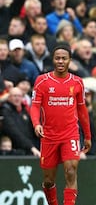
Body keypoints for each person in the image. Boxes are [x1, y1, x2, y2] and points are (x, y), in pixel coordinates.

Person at [30, 42, 92, 205]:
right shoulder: (42, 81)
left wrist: (87, 135)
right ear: (53, 60)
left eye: (64, 58)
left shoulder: (77, 82)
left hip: (70, 133)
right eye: (57, 58)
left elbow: (82, 111)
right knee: (49, 180)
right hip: (49, 135)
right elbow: (35, 106)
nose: (60, 61)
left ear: (70, 60)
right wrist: (37, 123)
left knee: (71, 170)